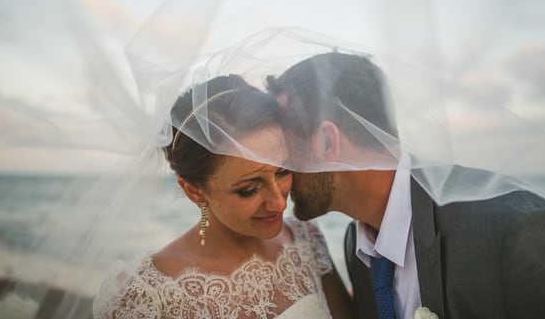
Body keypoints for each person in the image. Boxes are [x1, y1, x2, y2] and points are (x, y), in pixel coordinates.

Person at [266, 52, 545, 319]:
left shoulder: (523, 236)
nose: (277, 165)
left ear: (328, 142)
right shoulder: (354, 244)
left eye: (286, 146)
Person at [92, 74, 353, 319]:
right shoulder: (145, 297)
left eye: (283, 171)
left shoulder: (306, 239)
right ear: (193, 190)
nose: (280, 202)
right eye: (249, 189)